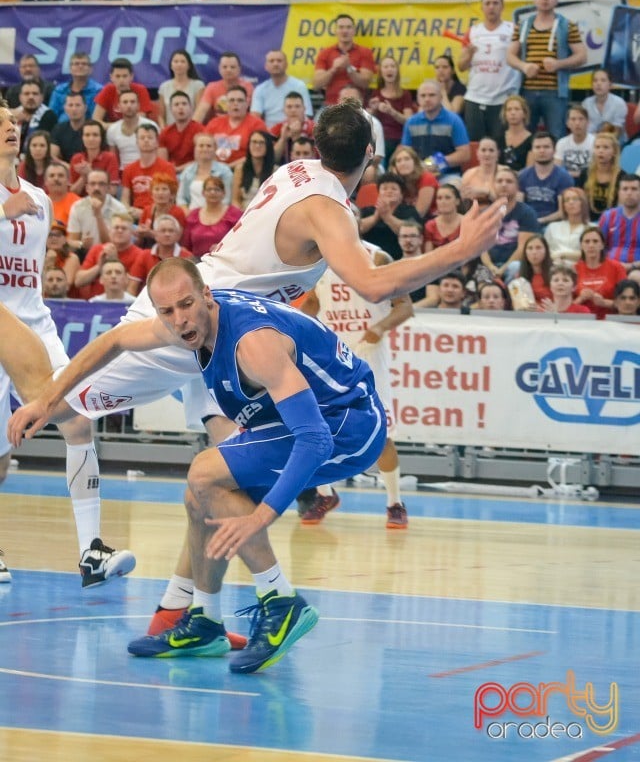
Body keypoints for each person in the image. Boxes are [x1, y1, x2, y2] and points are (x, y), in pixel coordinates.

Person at [4, 101, 507, 631]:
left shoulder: (294, 174)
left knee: (215, 482)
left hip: (222, 335)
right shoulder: (327, 208)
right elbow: (375, 284)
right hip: (202, 324)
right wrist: (462, 247)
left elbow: (284, 261)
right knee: (63, 404)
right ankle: (256, 596)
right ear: (370, 155)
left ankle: (187, 609)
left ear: (315, 147)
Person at [5, 259, 389, 672]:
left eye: (187, 304)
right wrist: (45, 401)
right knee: (198, 497)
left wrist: (261, 516)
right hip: (310, 422)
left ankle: (281, 602)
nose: (180, 319)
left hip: (348, 426)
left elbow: (314, 439)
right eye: (167, 311)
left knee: (204, 471)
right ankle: (206, 620)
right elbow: (112, 342)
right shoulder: (181, 327)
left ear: (207, 295)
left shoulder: (252, 345)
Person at [0, 103, 134, 586]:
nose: (10, 129)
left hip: (34, 327)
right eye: (0, 125)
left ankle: (90, 552)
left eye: (12, 123)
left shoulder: (39, 196)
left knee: (78, 419)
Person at [299, 244, 413, 527]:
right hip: (333, 355)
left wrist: (379, 328)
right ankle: (326, 494)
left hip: (369, 355)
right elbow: (313, 302)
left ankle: (395, 503)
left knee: (382, 434)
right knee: (316, 429)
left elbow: (405, 306)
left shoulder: (377, 256)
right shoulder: (320, 261)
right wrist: (299, 325)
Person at [506, 0, 587, 140]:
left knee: (556, 135)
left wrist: (559, 64)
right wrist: (523, 66)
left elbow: (582, 56)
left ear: (556, 0)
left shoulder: (566, 25)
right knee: (524, 135)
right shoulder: (523, 25)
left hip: (555, 92)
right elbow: (510, 56)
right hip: (527, 91)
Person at [458, 0, 521, 142]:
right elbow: (461, 66)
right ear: (482, 7)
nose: (491, 7)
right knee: (475, 145)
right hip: (475, 97)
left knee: (500, 145)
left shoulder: (513, 30)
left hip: (503, 99)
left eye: (495, 3)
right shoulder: (473, 31)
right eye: (487, 3)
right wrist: (469, 54)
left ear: (502, 6)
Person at [400, 80, 471, 181]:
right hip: (417, 174)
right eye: (423, 96)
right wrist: (421, 167)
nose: (427, 99)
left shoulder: (454, 120)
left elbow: (465, 154)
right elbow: (406, 151)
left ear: (441, 97)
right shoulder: (411, 122)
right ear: (418, 99)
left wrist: (436, 162)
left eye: (432, 95)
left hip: (448, 175)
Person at [482, 165, 540, 281]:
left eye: (509, 181)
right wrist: (490, 266)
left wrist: (503, 269)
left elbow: (523, 247)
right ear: (493, 185)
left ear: (517, 187)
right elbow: (481, 247)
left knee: (515, 268)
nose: (504, 184)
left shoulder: (527, 213)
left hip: (515, 265)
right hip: (488, 265)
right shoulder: (485, 213)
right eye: (499, 181)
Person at [74, 212, 143, 299]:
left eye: (124, 228)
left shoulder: (139, 254)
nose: (120, 231)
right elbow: (78, 281)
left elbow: (131, 287)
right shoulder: (97, 250)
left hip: (124, 303)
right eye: (116, 227)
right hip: (96, 303)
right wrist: (99, 266)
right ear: (109, 230)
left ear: (132, 233)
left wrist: (114, 261)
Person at [312, 13, 377, 106]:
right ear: (336, 31)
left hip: (356, 106)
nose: (345, 31)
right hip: (331, 105)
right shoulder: (325, 53)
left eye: (348, 27)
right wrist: (333, 69)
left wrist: (349, 68)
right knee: (317, 120)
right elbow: (316, 84)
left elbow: (365, 83)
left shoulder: (365, 52)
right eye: (341, 27)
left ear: (354, 31)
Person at [358, 172, 421, 262]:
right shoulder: (367, 211)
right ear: (379, 192)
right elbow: (356, 228)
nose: (389, 191)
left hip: (400, 259)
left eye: (394, 189)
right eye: (385, 188)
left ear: (401, 194)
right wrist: (375, 217)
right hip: (369, 259)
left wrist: (387, 217)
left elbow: (412, 233)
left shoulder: (409, 211)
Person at [121, 123, 176, 220]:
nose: (146, 140)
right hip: (134, 216)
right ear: (137, 142)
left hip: (159, 215)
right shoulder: (129, 169)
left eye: (150, 138)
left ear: (157, 142)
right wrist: (128, 210)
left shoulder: (167, 167)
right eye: (142, 138)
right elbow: (125, 198)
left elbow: (171, 199)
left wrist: (145, 213)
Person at [518, 131, 574, 226]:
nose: (542, 151)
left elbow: (562, 213)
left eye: (546, 147)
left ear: (554, 150)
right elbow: (518, 206)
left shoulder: (564, 177)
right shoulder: (522, 175)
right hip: (527, 224)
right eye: (537, 147)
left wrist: (540, 221)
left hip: (554, 225)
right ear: (532, 151)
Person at [204, 86, 267, 168]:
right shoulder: (214, 123)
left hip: (244, 169)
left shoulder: (257, 124)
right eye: (231, 100)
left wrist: (228, 168)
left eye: (240, 100)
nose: (235, 104)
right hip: (215, 170)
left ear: (247, 104)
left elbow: (258, 154)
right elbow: (204, 149)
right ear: (226, 104)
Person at [129, 214, 193, 294]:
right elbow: (132, 287)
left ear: (178, 235)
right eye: (163, 230)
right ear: (155, 234)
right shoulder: (145, 255)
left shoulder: (187, 257)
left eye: (171, 231)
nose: (167, 234)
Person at [182, 174, 242, 257]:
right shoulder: (193, 215)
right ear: (203, 193)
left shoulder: (235, 214)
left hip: (225, 260)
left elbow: (240, 242)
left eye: (217, 189)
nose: (212, 192)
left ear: (224, 193)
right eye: (209, 189)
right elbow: (186, 245)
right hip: (196, 263)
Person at [67, 168, 128, 250]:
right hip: (85, 253)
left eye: (101, 184)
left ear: (108, 187)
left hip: (112, 253)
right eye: (92, 184)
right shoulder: (77, 207)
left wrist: (98, 214)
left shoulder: (119, 209)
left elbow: (112, 243)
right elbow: (72, 240)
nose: (96, 188)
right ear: (87, 188)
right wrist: (81, 244)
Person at [250, 50, 312, 129]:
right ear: (266, 66)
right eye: (271, 61)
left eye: (279, 61)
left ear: (286, 65)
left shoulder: (299, 86)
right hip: (269, 133)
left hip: (295, 130)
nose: (275, 64)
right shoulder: (260, 89)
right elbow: (255, 117)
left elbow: (307, 115)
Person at [368, 56, 414, 163]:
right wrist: (373, 110)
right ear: (381, 72)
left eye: (392, 66)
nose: (389, 69)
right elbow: (370, 119)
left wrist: (392, 112)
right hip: (380, 137)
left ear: (397, 70)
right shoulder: (376, 93)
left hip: (399, 137)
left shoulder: (405, 94)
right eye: (386, 67)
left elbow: (408, 120)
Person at [574, 225, 627, 318]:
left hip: (610, 320)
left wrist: (603, 303)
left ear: (602, 245)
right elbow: (565, 306)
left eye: (595, 241)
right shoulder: (574, 269)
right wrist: (580, 299)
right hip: (581, 320)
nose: (591, 245)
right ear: (581, 246)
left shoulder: (617, 268)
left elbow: (627, 304)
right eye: (587, 241)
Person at [193, 51, 254, 122]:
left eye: (232, 67)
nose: (228, 70)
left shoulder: (248, 87)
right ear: (219, 69)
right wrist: (192, 129)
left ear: (239, 69)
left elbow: (253, 114)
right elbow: (201, 112)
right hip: (218, 127)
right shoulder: (212, 87)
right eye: (225, 67)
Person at [177, 131, 233, 210]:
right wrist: (187, 212)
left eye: (209, 146)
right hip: (192, 216)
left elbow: (227, 199)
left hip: (218, 215)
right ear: (195, 149)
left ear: (215, 149)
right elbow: (181, 199)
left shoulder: (225, 171)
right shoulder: (187, 171)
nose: (205, 149)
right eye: (201, 146)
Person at [598, 173, 640, 269]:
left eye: (634, 189)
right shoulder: (607, 217)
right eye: (625, 189)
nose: (629, 193)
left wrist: (631, 266)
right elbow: (598, 247)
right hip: (609, 268)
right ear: (619, 193)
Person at [68, 121, 119, 197]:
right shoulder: (76, 159)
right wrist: (83, 177)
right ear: (82, 138)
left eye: (95, 135)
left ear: (101, 138)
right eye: (87, 135)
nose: (91, 139)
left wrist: (90, 173)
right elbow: (72, 193)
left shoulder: (110, 158)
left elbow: (113, 191)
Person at [387, 145, 437, 219]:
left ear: (415, 162)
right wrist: (394, 180)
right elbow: (391, 212)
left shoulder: (427, 178)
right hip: (406, 222)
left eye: (407, 159)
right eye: (398, 161)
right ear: (394, 166)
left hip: (430, 220)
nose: (403, 163)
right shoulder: (397, 183)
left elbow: (419, 214)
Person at [544, 187, 591, 264]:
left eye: (575, 199)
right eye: (567, 200)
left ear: (583, 202)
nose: (571, 202)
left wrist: (562, 255)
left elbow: (590, 253)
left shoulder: (591, 228)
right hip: (554, 267)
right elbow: (545, 251)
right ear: (563, 205)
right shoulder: (552, 227)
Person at [157, 50, 204, 128]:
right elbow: (161, 116)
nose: (179, 64)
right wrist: (164, 130)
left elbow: (200, 112)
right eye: (176, 61)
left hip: (191, 129)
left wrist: (191, 129)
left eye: (182, 62)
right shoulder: (164, 87)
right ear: (171, 66)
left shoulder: (198, 85)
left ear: (189, 65)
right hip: (170, 131)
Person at [231, 131, 276, 211]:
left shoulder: (276, 171)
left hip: (267, 213)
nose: (257, 146)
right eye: (254, 142)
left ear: (268, 146)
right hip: (243, 214)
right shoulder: (240, 169)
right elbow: (235, 200)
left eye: (261, 142)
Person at [581, 131, 622, 219]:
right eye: (597, 147)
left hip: (613, 222)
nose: (600, 151)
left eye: (605, 147)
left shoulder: (622, 177)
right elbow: (580, 202)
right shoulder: (585, 173)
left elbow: (622, 209)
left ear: (614, 152)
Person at [158, 91, 203, 171]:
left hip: (194, 171)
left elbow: (202, 160)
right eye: (176, 104)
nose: (180, 107)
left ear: (191, 108)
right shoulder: (165, 132)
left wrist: (178, 169)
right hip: (171, 173)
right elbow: (162, 161)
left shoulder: (200, 130)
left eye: (184, 104)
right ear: (171, 109)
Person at [581, 68, 628, 136]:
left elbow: (616, 132)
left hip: (615, 143)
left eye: (603, 80)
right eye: (595, 80)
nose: (598, 83)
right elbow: (583, 129)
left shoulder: (619, 103)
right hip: (591, 143)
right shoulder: (586, 104)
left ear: (610, 85)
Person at [554, 105, 595, 180]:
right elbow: (556, 169)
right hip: (567, 180)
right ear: (567, 123)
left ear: (588, 122)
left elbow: (596, 170)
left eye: (581, 119)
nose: (577, 123)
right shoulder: (562, 142)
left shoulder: (595, 142)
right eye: (573, 119)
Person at [497, 94, 534, 172]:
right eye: (509, 109)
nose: (513, 113)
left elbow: (529, 170)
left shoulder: (532, 140)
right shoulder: (498, 138)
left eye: (517, 109)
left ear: (524, 113)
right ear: (505, 114)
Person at [461, 137, 499, 206]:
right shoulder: (468, 174)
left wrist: (486, 192)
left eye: (491, 150)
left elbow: (509, 200)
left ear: (498, 153)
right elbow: (463, 199)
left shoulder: (505, 172)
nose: (487, 154)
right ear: (477, 153)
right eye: (483, 150)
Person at [518, 233, 553, 304]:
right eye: (530, 248)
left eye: (538, 248)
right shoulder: (519, 277)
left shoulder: (556, 274)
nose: (534, 252)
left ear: (546, 250)